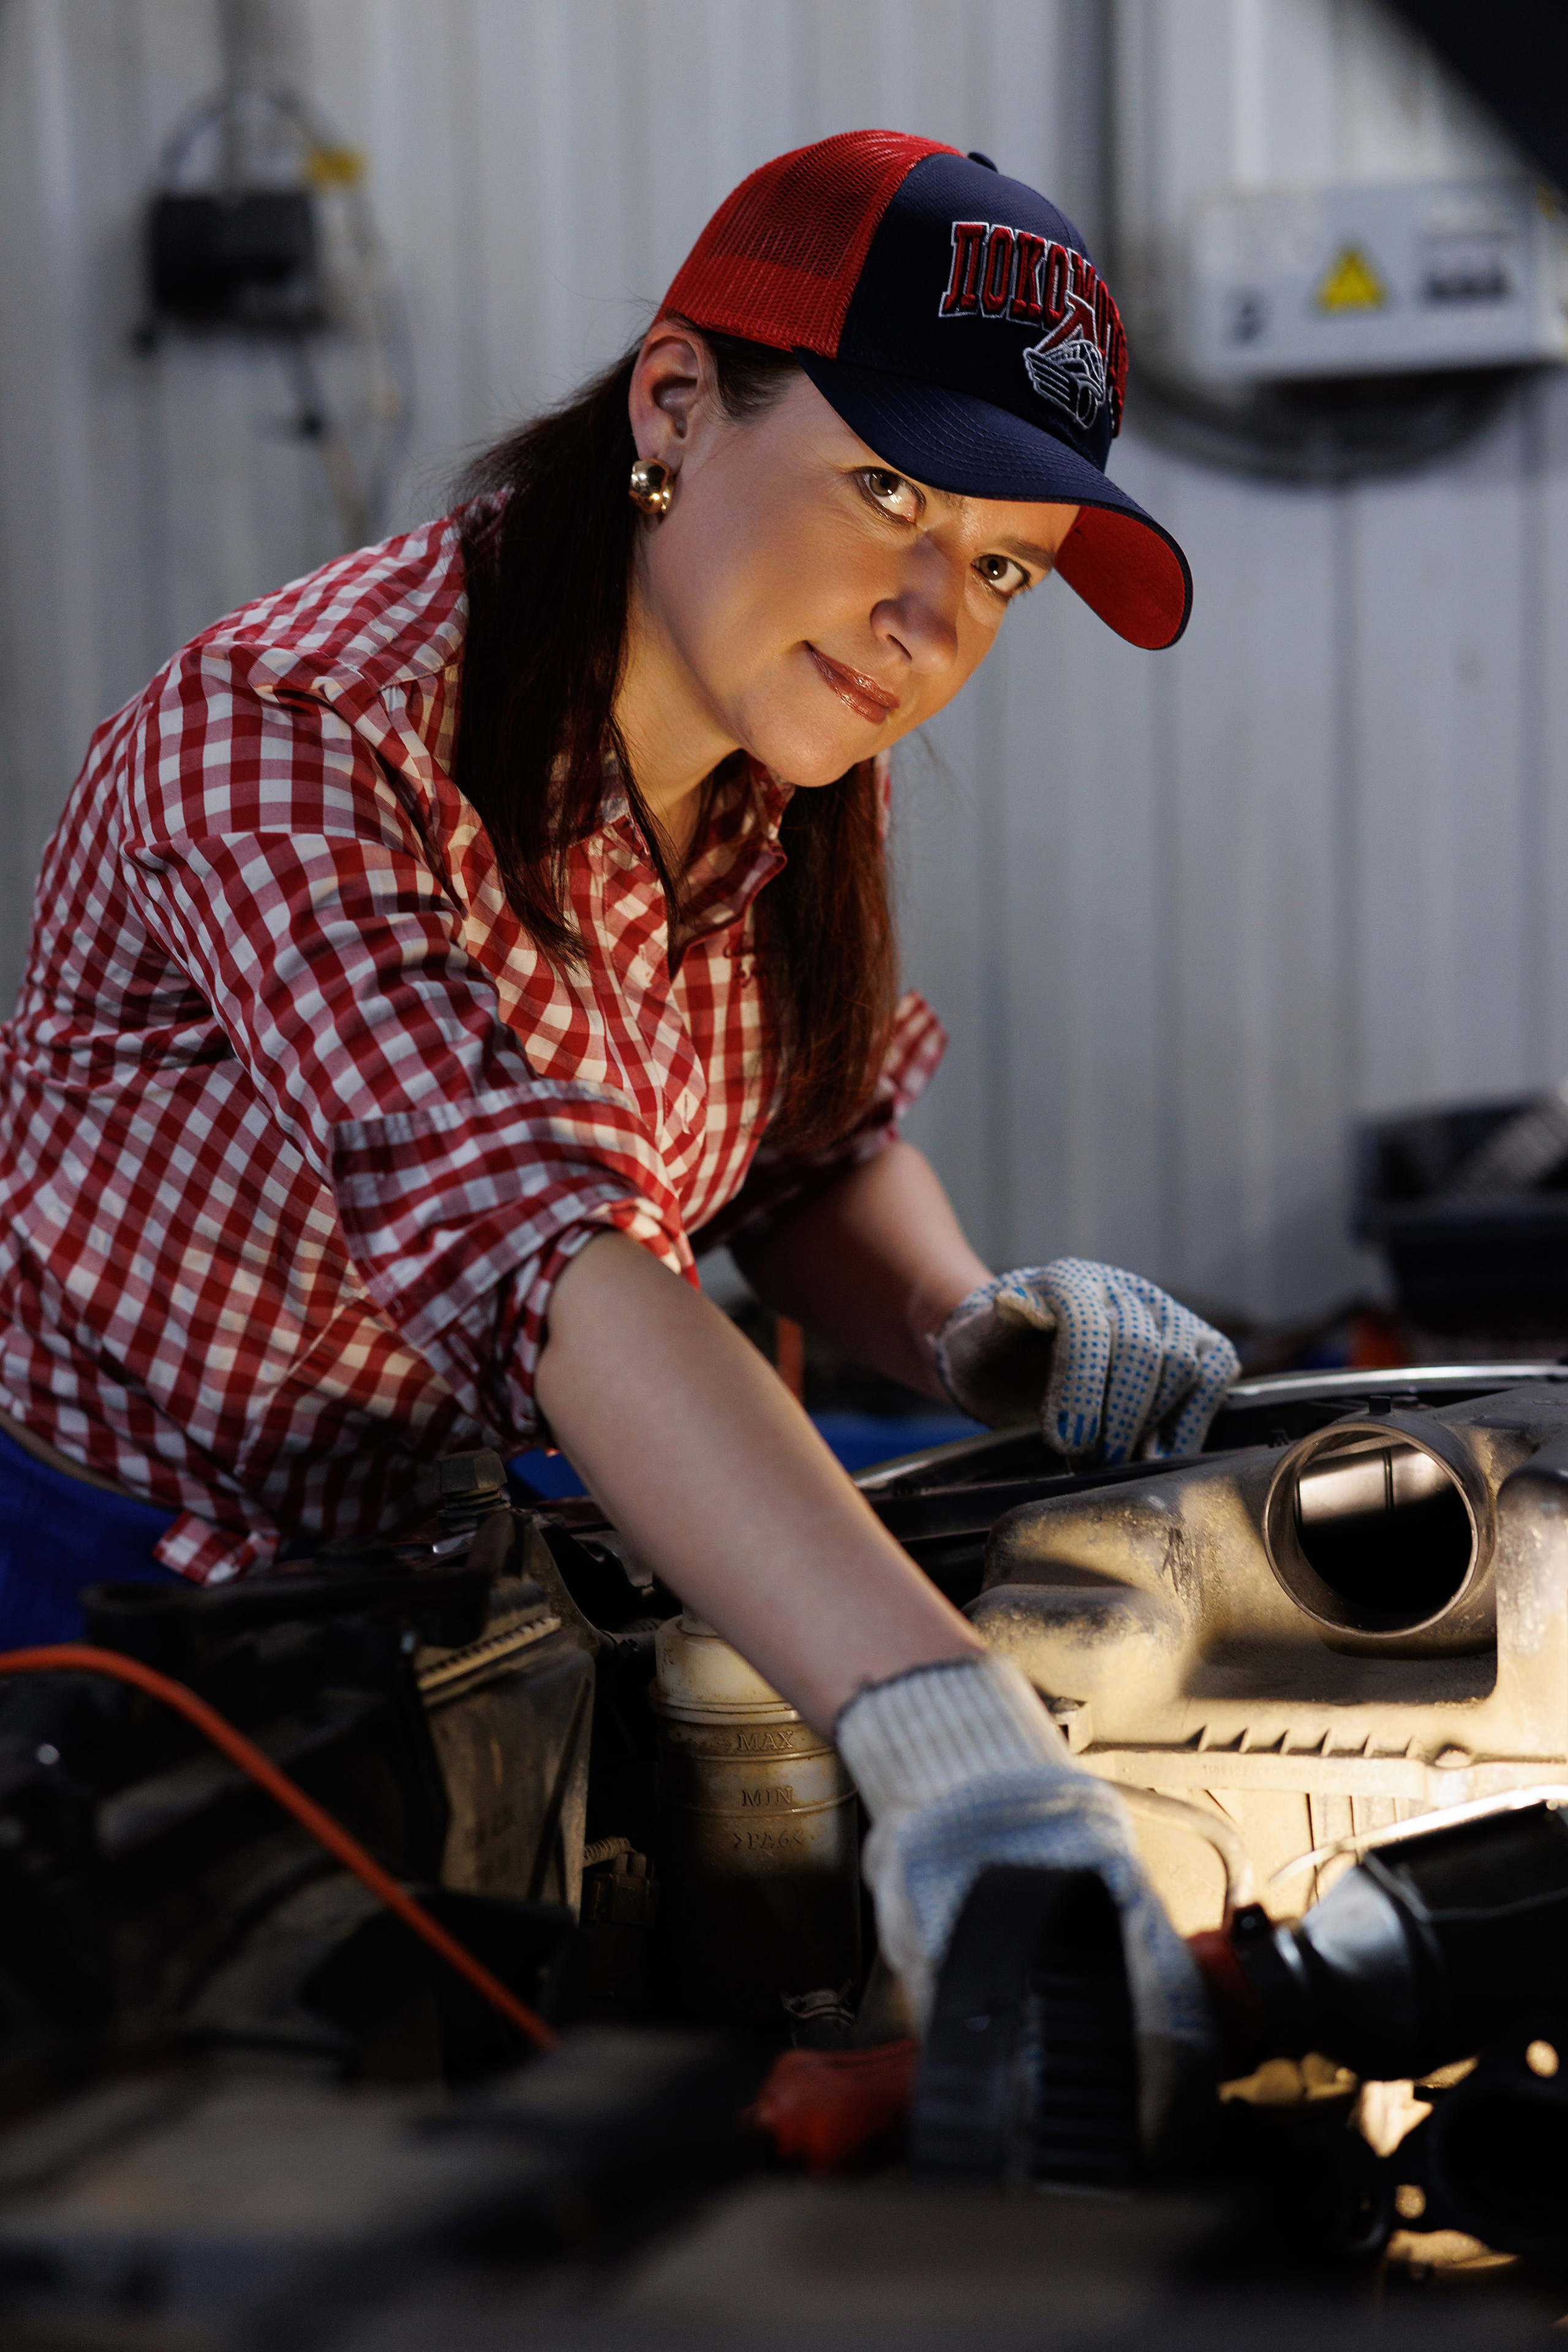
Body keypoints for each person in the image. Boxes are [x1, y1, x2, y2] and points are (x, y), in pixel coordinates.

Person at [0, 132, 1235, 2068]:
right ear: (674, 399)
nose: (930, 621)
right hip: (119, 1608)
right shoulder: (292, 731)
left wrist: (961, 1320)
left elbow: (807, 1152)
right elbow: (546, 1254)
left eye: (1000, 566)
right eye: (887, 488)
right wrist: (945, 1737)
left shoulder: (786, 746)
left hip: (469, 1556)